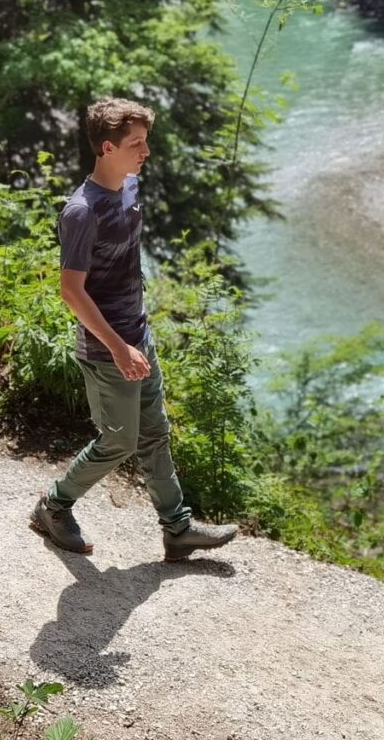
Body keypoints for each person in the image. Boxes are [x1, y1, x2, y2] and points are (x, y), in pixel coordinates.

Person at [30, 97, 237, 562]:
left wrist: (137, 334)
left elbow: (125, 264)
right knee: (119, 440)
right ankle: (53, 504)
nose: (146, 151)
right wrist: (119, 347)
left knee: (154, 434)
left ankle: (178, 529)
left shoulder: (130, 186)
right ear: (107, 146)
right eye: (137, 143)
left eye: (146, 141)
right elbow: (71, 291)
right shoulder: (81, 212)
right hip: (108, 350)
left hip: (138, 337)